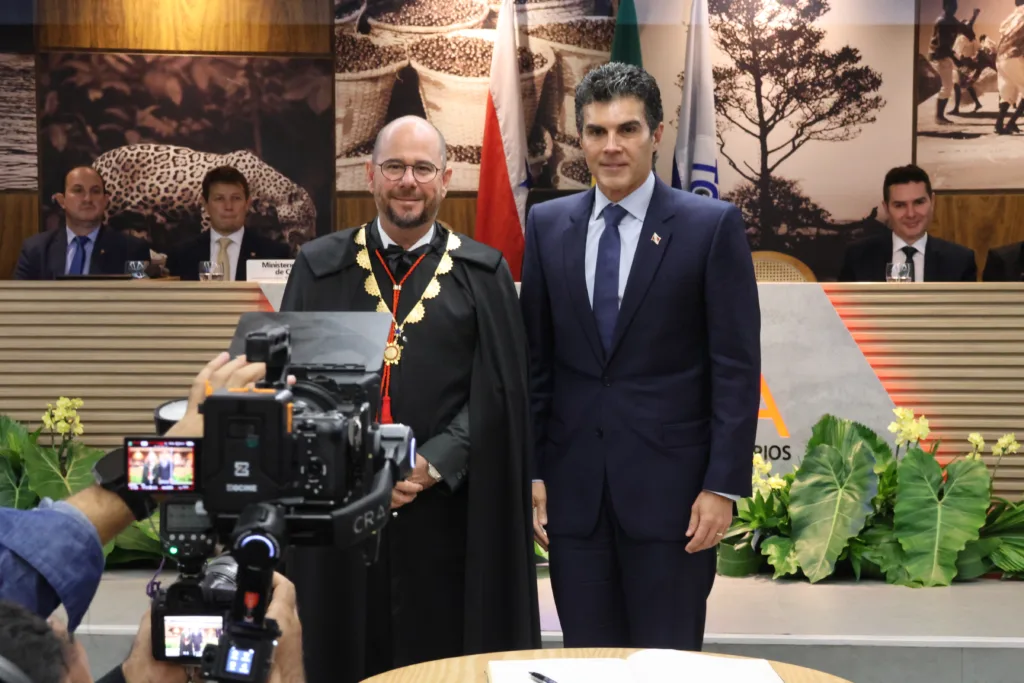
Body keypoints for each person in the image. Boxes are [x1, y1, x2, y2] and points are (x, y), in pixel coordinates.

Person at [280, 115, 539, 681]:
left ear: (445, 179)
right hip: (341, 516)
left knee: (440, 663)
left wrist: (434, 463)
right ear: (370, 175)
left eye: (423, 168)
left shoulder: (484, 272)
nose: (408, 181)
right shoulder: (319, 268)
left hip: (448, 517)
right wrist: (362, 467)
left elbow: (501, 393)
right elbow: (296, 390)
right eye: (394, 166)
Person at [519, 62, 760, 652]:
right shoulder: (547, 225)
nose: (611, 146)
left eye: (627, 129)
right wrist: (534, 469)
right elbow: (536, 364)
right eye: (597, 131)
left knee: (665, 663)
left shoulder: (710, 226)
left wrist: (722, 486)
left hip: (674, 500)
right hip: (574, 502)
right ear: (579, 138)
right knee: (589, 660)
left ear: (655, 134)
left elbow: (735, 367)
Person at [838, 165, 977, 282]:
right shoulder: (857, 257)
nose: (911, 214)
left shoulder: (960, 260)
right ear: (886, 208)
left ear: (932, 202)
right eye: (900, 205)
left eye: (918, 202)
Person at [13, 167, 151, 280]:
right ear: (62, 201)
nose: (87, 199)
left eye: (95, 191)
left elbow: (139, 303)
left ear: (105, 201)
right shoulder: (35, 249)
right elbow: (19, 304)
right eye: (78, 190)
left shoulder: (132, 250)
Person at [166, 166, 291, 281]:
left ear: (247, 204)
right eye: (219, 199)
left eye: (236, 198)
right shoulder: (181, 255)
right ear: (205, 204)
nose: (228, 206)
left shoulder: (275, 254)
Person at [928, 0, 980, 124]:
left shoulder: (951, 20)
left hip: (943, 56)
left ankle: (939, 116)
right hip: (939, 57)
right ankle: (939, 117)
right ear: (945, 6)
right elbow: (944, 45)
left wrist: (974, 17)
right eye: (952, 6)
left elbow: (966, 29)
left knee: (947, 86)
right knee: (946, 87)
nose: (954, 8)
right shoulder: (943, 22)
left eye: (955, 6)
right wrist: (956, 60)